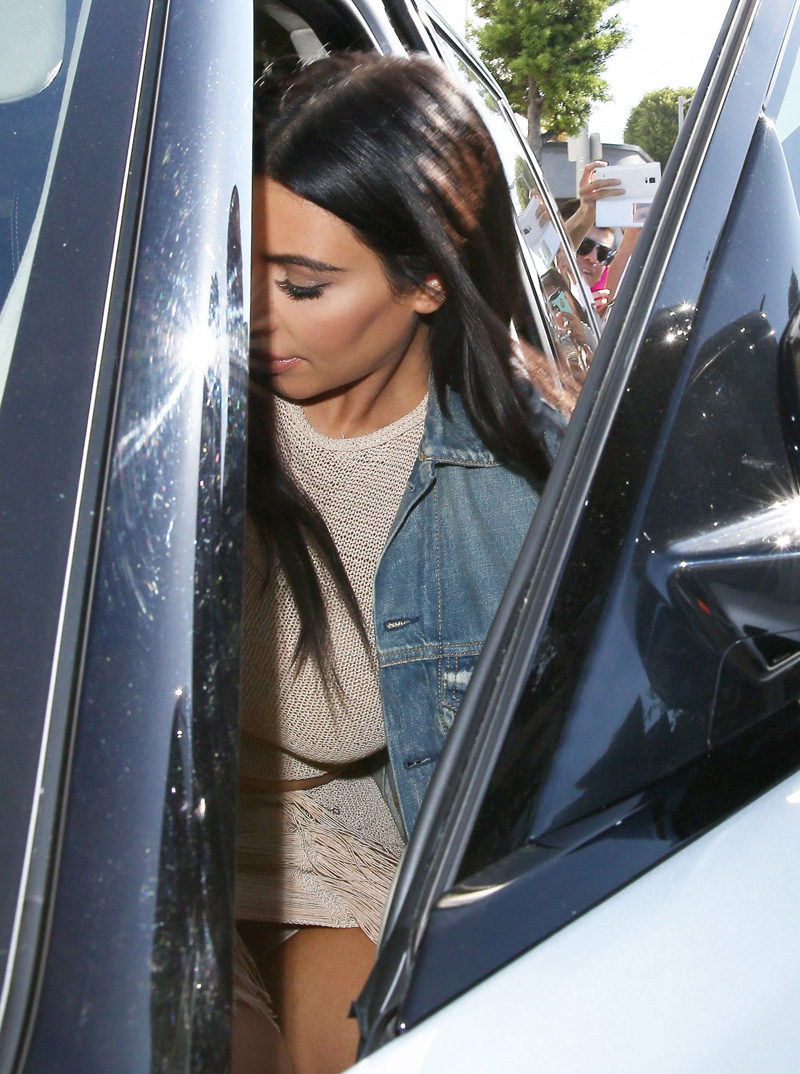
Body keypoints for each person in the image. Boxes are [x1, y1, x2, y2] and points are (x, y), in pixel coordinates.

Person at [234, 51, 565, 1074]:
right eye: (237, 268)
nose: (252, 315)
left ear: (426, 277)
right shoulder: (163, 414)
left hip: (339, 846)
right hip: (144, 832)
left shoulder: (518, 494)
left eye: (302, 284)